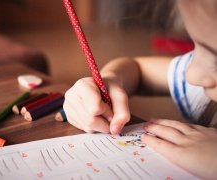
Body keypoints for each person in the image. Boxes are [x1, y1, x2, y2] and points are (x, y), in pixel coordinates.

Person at [63, 0, 217, 179]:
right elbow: (137, 69)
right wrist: (112, 80)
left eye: (215, 58)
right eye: (195, 46)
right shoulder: (202, 79)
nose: (190, 74)